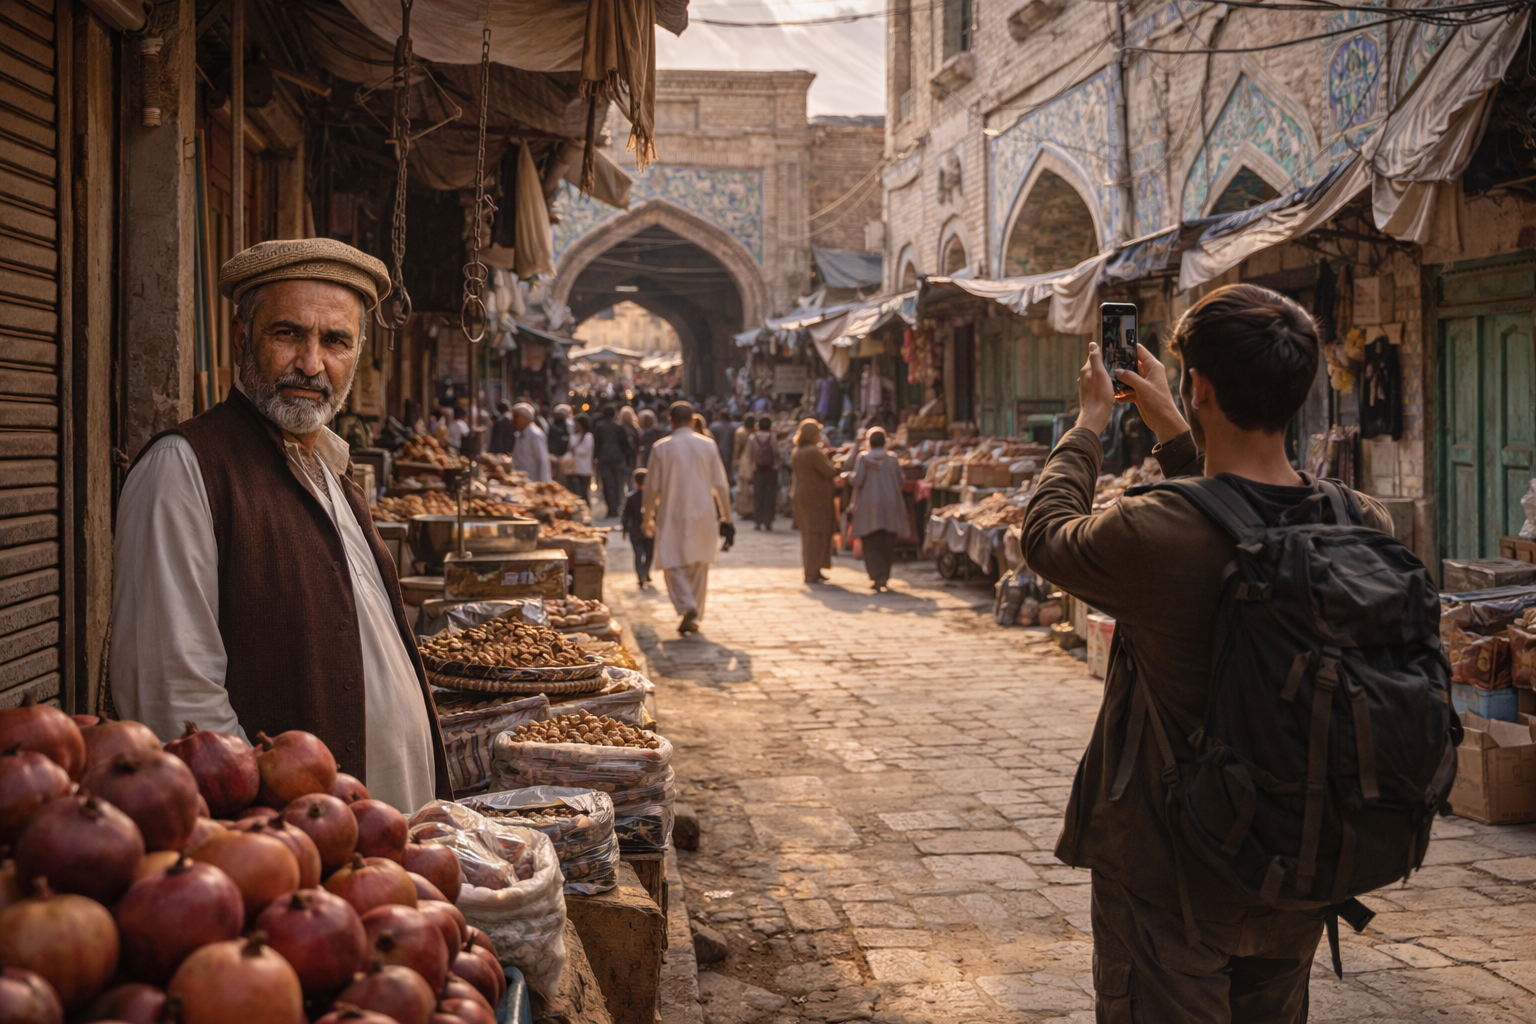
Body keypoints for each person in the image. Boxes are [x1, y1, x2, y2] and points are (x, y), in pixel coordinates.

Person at [1021, 284, 1392, 1023]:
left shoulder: (1149, 532)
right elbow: (1238, 514)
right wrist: (1173, 424)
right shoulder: (1358, 521)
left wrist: (1090, 422)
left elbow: (1046, 534)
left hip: (1170, 880)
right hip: (1296, 865)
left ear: (1199, 387)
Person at [110, 238, 451, 812]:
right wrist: (274, 837)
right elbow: (174, 697)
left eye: (335, 341)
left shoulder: (331, 469)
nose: (311, 364)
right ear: (242, 337)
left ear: (357, 353)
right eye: (288, 333)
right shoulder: (184, 469)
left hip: (379, 840)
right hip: (297, 846)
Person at [641, 401, 732, 635]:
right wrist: (727, 516)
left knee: (671, 561)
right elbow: (721, 485)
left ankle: (686, 606)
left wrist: (647, 514)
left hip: (671, 511)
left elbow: (652, 487)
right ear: (692, 420)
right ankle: (694, 612)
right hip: (703, 511)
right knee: (699, 565)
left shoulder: (661, 448)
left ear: (670, 422)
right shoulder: (708, 445)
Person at [847, 427, 907, 591]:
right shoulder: (892, 459)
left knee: (870, 542)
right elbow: (901, 481)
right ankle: (884, 576)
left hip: (869, 506)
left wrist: (849, 477)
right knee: (887, 543)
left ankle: (876, 575)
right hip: (890, 505)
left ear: (869, 442)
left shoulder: (863, 458)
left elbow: (857, 480)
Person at [789, 419, 838, 585]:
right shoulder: (813, 452)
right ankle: (812, 571)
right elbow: (828, 471)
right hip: (814, 497)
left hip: (804, 495)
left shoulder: (798, 451)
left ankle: (814, 569)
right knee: (814, 534)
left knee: (811, 533)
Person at [593, 404, 635, 518]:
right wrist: (629, 459)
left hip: (604, 459)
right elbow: (625, 444)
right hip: (618, 459)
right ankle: (617, 507)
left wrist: (595, 457)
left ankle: (611, 509)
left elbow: (596, 444)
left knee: (607, 485)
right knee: (618, 484)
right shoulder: (618, 427)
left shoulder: (599, 427)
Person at [621, 467, 654, 588]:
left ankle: (641, 575)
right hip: (650, 531)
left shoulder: (631, 498)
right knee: (649, 554)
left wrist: (624, 530)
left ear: (633, 481)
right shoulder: (652, 498)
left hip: (635, 530)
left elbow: (626, 515)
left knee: (638, 554)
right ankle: (645, 572)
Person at [748, 415, 779, 531]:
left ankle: (757, 521)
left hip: (757, 469)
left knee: (758, 495)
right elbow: (776, 452)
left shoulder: (752, 437)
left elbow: (750, 454)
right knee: (769, 495)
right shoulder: (773, 437)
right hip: (771, 470)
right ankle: (768, 521)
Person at [510, 402, 551, 481]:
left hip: (533, 481)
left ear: (524, 418)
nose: (513, 420)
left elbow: (543, 462)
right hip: (519, 481)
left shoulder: (536, 435)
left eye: (516, 417)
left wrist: (543, 484)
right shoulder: (518, 435)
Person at [565, 413, 594, 505]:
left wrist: (574, 450)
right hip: (575, 468)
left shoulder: (588, 436)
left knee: (583, 493)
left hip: (584, 469)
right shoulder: (575, 436)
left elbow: (585, 450)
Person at [709, 408, 736, 479]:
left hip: (715, 452)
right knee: (726, 475)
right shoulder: (733, 428)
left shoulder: (713, 426)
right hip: (728, 454)